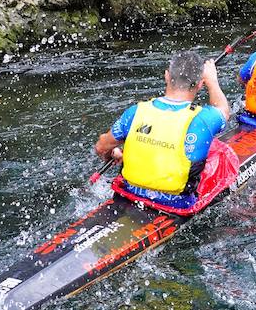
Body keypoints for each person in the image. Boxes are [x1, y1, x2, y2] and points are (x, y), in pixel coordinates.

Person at [94, 50, 230, 208]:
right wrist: (212, 81)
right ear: (200, 84)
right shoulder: (204, 119)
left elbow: (101, 147)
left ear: (167, 75)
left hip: (130, 194)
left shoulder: (136, 112)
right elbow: (223, 111)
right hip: (177, 204)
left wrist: (113, 153)